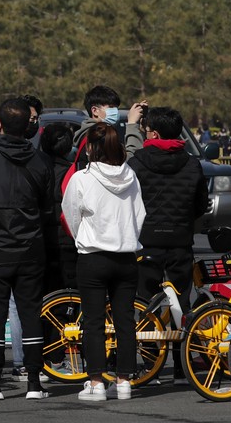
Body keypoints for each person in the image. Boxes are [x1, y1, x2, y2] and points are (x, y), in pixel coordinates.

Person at [0, 97, 54, 401]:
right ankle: (34, 381)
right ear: (29, 126)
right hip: (31, 247)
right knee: (30, 314)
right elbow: (47, 210)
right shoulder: (41, 161)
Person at [61, 122, 146, 402]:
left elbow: (70, 213)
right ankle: (124, 381)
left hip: (93, 256)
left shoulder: (82, 178)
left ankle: (96, 382)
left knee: (94, 321)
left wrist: (82, 236)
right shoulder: (131, 176)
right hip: (126, 256)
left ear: (91, 149)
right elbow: (140, 214)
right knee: (125, 321)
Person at [128, 106, 207, 386]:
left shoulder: (137, 162)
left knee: (146, 302)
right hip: (180, 240)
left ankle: (150, 361)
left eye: (147, 130)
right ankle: (181, 362)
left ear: (155, 133)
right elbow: (200, 205)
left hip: (146, 240)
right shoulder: (192, 163)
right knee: (181, 303)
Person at [41, 122, 76, 290]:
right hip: (67, 239)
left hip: (39, 238)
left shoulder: (34, 169)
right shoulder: (73, 173)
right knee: (68, 294)